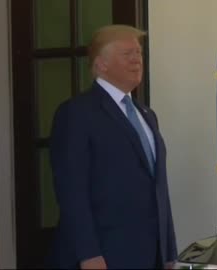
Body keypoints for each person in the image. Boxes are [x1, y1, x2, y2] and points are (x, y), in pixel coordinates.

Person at [49, 24, 177, 269]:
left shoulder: (147, 115)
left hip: (151, 256)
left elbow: (158, 188)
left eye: (138, 53)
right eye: (127, 54)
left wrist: (169, 252)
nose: (136, 59)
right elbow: (71, 190)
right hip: (105, 255)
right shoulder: (77, 113)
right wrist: (88, 253)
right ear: (101, 64)